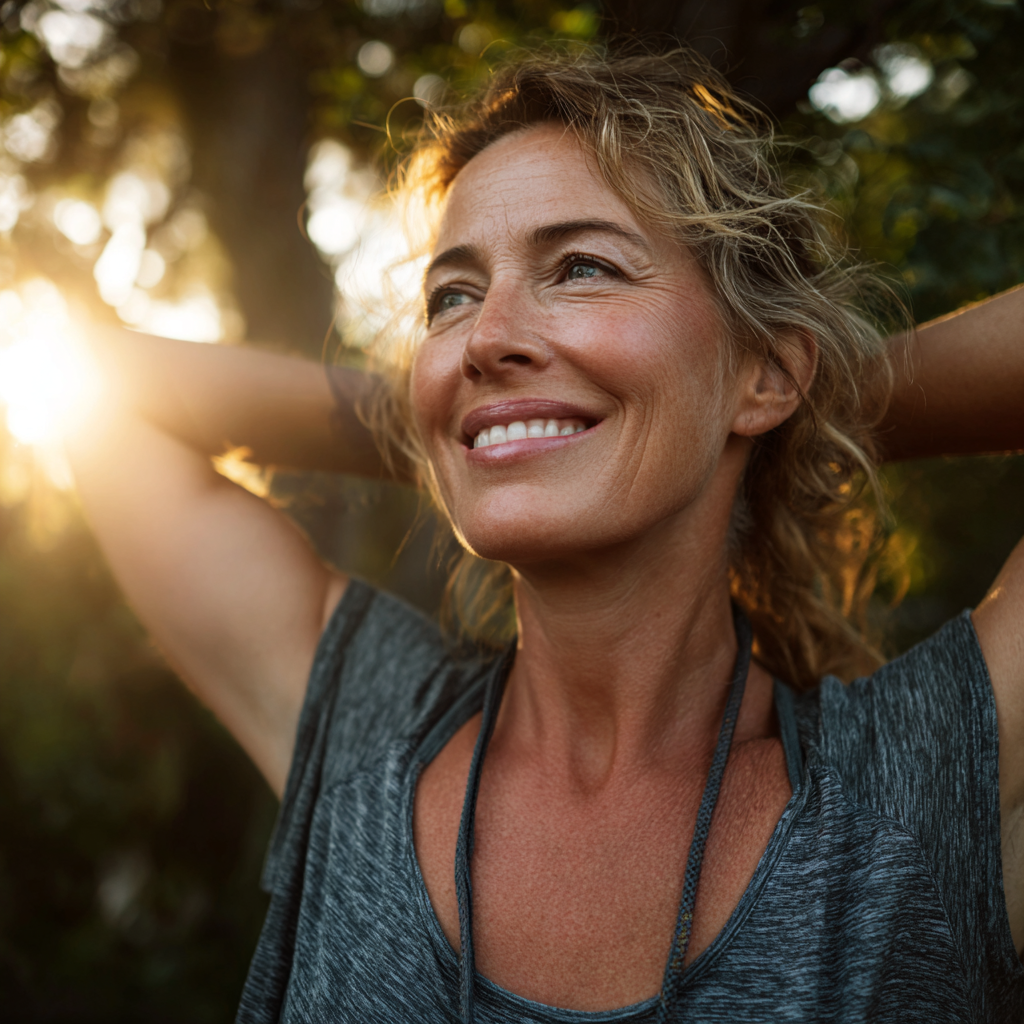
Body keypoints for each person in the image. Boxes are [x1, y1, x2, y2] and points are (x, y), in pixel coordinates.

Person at [66, 47, 1024, 1022]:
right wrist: (458, 420)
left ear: (768, 374)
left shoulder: (931, 784)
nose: (484, 338)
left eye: (581, 267)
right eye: (452, 296)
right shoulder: (366, 727)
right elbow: (99, 390)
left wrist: (797, 411)